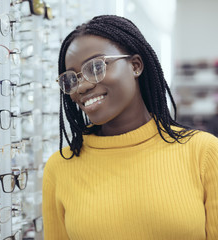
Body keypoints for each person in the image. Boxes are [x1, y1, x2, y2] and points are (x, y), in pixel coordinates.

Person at [42, 15, 218, 240]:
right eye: (72, 79)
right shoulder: (60, 167)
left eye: (96, 67)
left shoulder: (203, 152)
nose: (83, 86)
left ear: (135, 65)